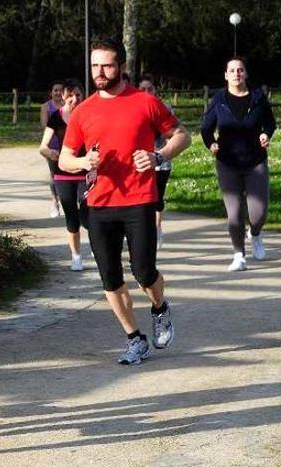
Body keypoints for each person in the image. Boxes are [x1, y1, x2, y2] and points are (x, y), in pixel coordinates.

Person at [58, 37, 191, 366]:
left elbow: (182, 135)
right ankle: (135, 339)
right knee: (110, 278)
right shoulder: (82, 111)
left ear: (122, 67)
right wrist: (83, 163)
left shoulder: (145, 102)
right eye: (94, 65)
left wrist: (157, 155)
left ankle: (160, 308)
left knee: (144, 272)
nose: (99, 72)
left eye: (106, 65)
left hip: (139, 198)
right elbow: (64, 159)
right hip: (99, 203)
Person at [200, 57, 276, 271]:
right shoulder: (219, 99)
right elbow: (206, 128)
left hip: (255, 162)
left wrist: (265, 133)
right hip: (227, 163)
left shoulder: (258, 98)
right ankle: (239, 255)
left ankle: (256, 234)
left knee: (258, 213)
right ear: (226, 75)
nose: (236, 74)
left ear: (246, 74)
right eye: (232, 70)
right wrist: (211, 144)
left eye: (240, 70)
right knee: (234, 214)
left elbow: (270, 122)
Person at [39, 78, 88, 271]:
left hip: (86, 173)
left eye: (78, 95)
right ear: (63, 96)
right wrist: (50, 152)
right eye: (71, 95)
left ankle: (97, 244)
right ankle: (76, 256)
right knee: (72, 218)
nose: (74, 99)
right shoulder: (56, 117)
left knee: (89, 215)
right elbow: (42, 146)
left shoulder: (89, 115)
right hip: (63, 173)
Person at [138, 75, 174, 249]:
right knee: (143, 199)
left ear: (155, 90)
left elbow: (173, 133)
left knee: (158, 197)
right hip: (140, 161)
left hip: (161, 160)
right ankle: (144, 231)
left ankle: (157, 227)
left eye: (149, 89)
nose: (146, 92)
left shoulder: (164, 107)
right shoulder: (134, 107)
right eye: (142, 89)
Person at [40, 81, 65, 218]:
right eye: (55, 90)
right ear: (51, 92)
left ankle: (66, 200)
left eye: (60, 90)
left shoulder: (68, 106)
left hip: (66, 145)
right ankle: (54, 200)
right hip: (52, 146)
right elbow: (45, 126)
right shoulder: (46, 107)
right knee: (54, 174)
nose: (57, 93)